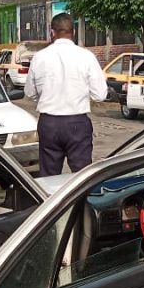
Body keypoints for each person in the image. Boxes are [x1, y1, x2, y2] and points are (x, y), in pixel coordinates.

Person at [24, 12, 108, 176]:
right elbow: (100, 95)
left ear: (52, 32)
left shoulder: (40, 57)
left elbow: (29, 92)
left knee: (48, 175)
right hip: (77, 123)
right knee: (82, 176)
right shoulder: (86, 56)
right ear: (73, 32)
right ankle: (80, 202)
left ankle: (51, 201)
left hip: (49, 123)